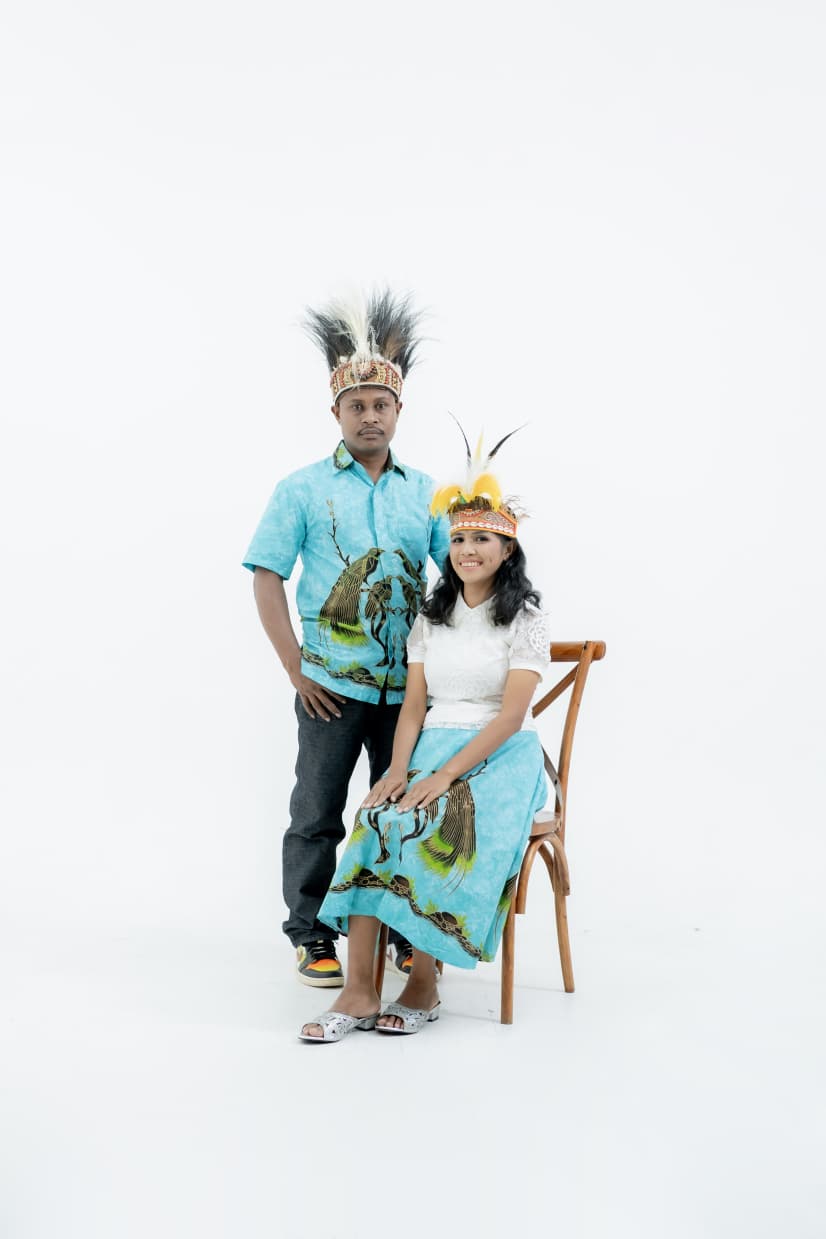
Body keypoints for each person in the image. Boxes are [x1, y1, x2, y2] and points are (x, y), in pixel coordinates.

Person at [300, 431, 550, 1039]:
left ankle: (423, 983)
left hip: (500, 756)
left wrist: (442, 776)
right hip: (432, 745)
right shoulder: (431, 618)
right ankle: (359, 991)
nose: (467, 550)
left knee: (436, 818)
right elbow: (413, 708)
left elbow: (511, 716)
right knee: (376, 818)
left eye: (481, 539)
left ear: (507, 549)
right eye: (458, 539)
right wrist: (395, 771)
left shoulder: (526, 619)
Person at [244, 291, 450, 987]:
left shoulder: (427, 493)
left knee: (404, 811)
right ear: (336, 412)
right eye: (356, 405)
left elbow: (463, 572)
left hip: (409, 692)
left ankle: (402, 933)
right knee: (317, 813)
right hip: (329, 687)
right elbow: (267, 576)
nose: (369, 416)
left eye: (381, 405)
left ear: (399, 411)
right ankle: (313, 935)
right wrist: (296, 667)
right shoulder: (301, 490)